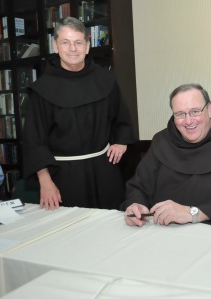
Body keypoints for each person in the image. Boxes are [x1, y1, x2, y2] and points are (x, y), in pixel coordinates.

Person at [23, 17, 136, 210]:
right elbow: (35, 141)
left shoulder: (106, 79)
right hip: (62, 176)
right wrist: (45, 181)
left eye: (78, 42)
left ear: (87, 45)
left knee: (113, 229)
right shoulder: (42, 89)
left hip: (104, 171)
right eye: (65, 42)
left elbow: (121, 118)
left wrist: (121, 141)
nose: (73, 49)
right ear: (55, 45)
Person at [122, 83, 211, 227]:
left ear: (209, 110)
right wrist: (135, 205)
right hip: (163, 233)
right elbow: (137, 187)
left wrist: (192, 213)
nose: (188, 121)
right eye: (180, 114)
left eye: (195, 111)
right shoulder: (161, 142)